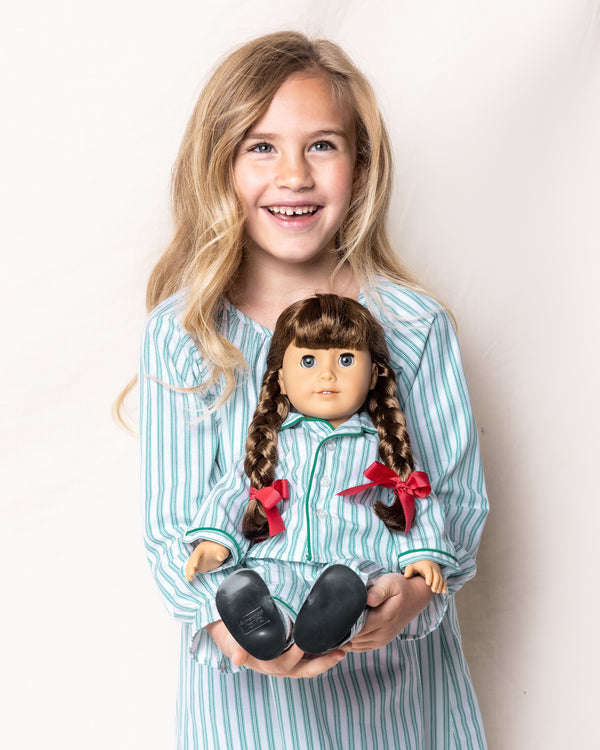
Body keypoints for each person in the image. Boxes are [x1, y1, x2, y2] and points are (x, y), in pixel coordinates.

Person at [135, 30, 488, 749]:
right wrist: (225, 626)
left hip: (393, 701)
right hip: (245, 711)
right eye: (261, 147)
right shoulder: (186, 332)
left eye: (321, 145)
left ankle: (340, 603)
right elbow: (173, 525)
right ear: (220, 164)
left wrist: (411, 595)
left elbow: (455, 499)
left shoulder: (414, 326)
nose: (293, 175)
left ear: (361, 165)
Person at [182, 294, 455, 661]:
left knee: (362, 589)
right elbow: (236, 490)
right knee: (270, 586)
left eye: (346, 360)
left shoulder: (384, 446)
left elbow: (411, 498)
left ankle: (334, 621)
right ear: (281, 378)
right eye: (308, 361)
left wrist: (421, 556)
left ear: (373, 374)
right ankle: (265, 624)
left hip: (355, 558)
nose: (327, 374)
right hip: (282, 559)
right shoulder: (274, 443)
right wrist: (217, 542)